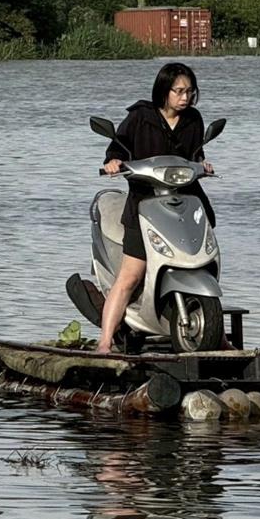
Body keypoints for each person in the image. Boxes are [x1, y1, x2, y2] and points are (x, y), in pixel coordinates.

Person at [97, 62, 215, 354]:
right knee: (131, 275)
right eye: (178, 91)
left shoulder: (193, 120)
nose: (185, 97)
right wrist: (112, 162)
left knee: (203, 261)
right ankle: (104, 341)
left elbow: (195, 153)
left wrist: (203, 164)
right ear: (164, 91)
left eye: (189, 91)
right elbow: (117, 148)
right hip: (144, 201)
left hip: (184, 201)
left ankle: (216, 334)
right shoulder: (140, 117)